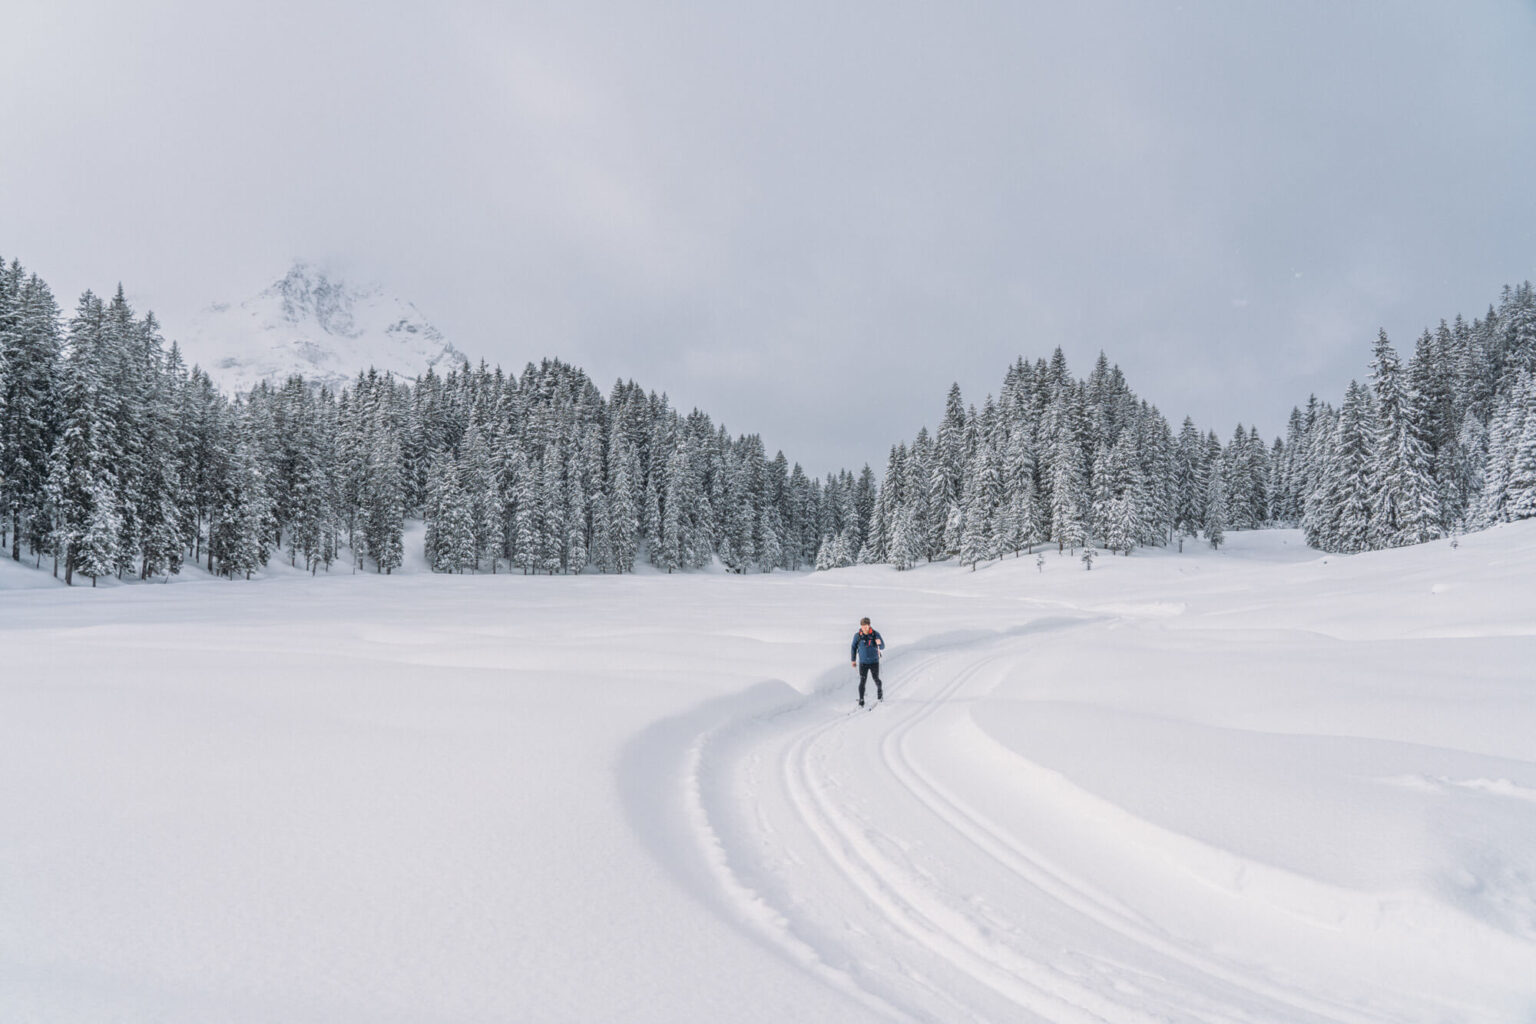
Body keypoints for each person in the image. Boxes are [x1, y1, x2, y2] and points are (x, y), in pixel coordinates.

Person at [849, 617, 885, 706]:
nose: (864, 627)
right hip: (863, 663)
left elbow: (882, 647)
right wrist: (853, 660)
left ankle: (880, 693)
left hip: (874, 662)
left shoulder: (875, 634)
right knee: (862, 681)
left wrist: (879, 643)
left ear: (869, 625)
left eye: (866, 625)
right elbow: (853, 647)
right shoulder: (857, 636)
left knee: (876, 679)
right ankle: (861, 701)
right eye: (863, 626)